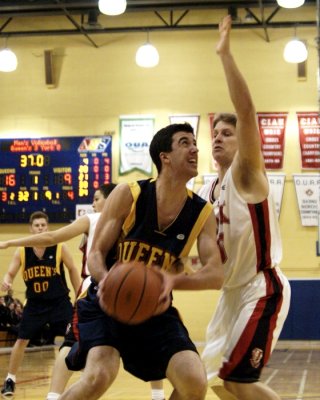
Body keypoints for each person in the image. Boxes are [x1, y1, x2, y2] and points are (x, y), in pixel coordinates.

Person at [58, 122, 224, 400]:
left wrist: (173, 280)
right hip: (105, 302)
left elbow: (215, 274)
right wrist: (109, 280)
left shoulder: (202, 212)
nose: (195, 148)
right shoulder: (129, 194)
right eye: (185, 142)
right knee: (99, 375)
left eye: (195, 142)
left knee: (194, 382)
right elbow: (96, 253)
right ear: (165, 156)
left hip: (154, 309)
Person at [0, 184, 166, 400]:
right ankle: (158, 395)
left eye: (97, 198)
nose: (94, 203)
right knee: (150, 338)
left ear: (112, 199)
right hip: (127, 291)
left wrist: (10, 241)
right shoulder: (142, 220)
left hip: (99, 289)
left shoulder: (95, 219)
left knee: (70, 345)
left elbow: (52, 238)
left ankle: (53, 396)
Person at [198, 15, 291, 400]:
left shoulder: (247, 173)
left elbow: (248, 110)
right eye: (214, 133)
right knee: (218, 380)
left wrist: (225, 55)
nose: (218, 138)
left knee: (238, 380)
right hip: (230, 294)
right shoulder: (208, 188)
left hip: (261, 287)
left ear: (243, 141)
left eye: (227, 133)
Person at [0, 211, 81, 398]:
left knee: (77, 336)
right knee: (21, 340)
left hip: (59, 302)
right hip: (35, 304)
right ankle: (10, 379)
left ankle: (83, 375)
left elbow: (72, 269)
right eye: (36, 226)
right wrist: (7, 280)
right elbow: (10, 273)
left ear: (48, 227)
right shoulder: (22, 250)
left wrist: (79, 295)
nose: (40, 228)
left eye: (43, 225)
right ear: (31, 228)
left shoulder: (60, 247)